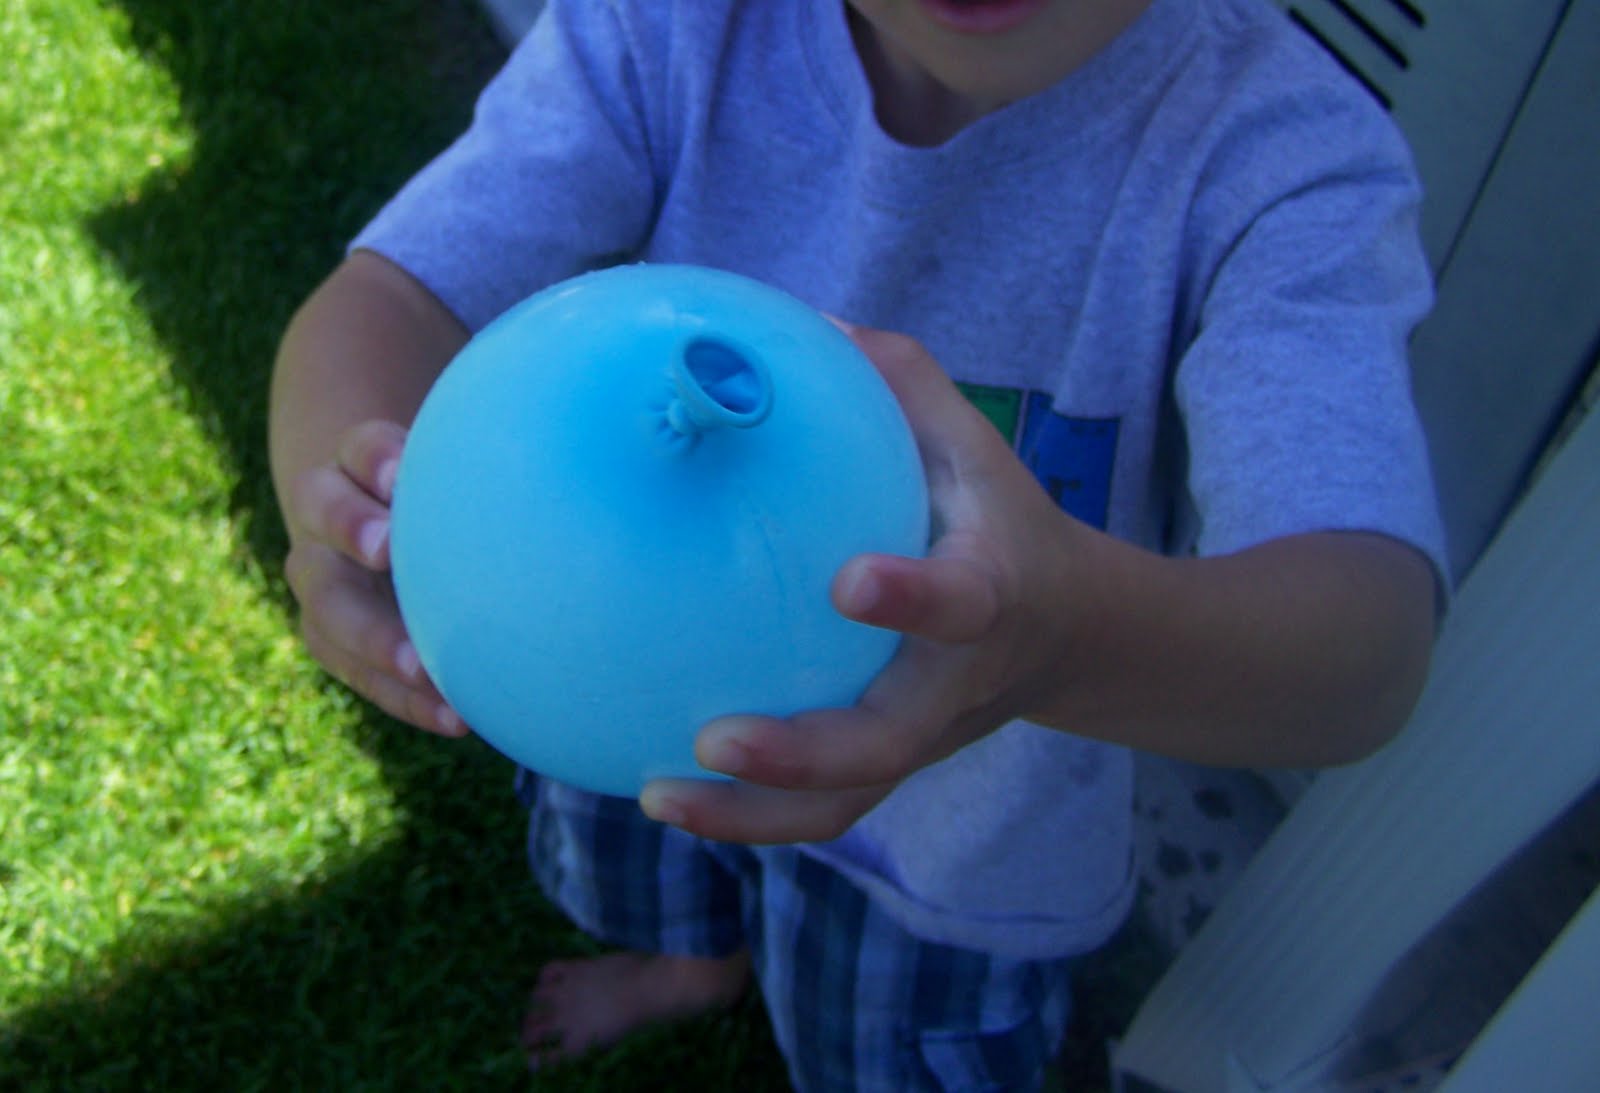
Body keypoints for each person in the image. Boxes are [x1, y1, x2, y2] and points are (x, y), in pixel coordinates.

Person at [268, 0, 1447, 1087]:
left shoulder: (1277, 161)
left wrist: (1056, 636)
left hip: (959, 844)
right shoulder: (679, 30)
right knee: (664, 856)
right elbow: (393, 298)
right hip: (631, 677)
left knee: (880, 1052)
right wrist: (357, 507)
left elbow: (1362, 646)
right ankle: (694, 965)